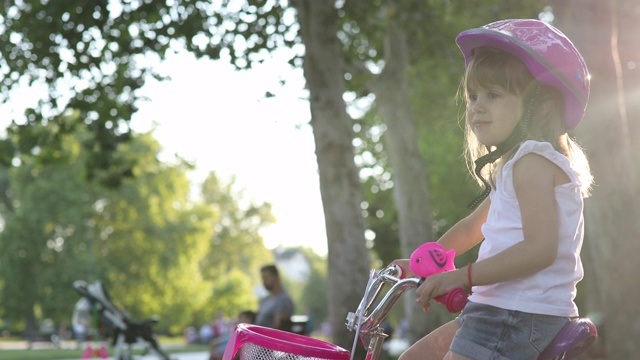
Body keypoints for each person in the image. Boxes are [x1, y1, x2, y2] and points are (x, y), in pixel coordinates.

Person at [395, 19, 593, 360]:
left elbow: (539, 250)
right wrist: (420, 264)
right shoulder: (514, 165)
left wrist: (462, 277)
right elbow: (473, 228)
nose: (477, 106)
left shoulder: (533, 162)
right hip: (497, 310)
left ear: (540, 104)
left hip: (519, 315)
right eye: (473, 96)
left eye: (494, 94)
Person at [254, 264, 295, 331]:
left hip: (267, 338)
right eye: (263, 278)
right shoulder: (264, 300)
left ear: (276, 278)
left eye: (266, 278)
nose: (264, 281)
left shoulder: (283, 299)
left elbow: (278, 326)